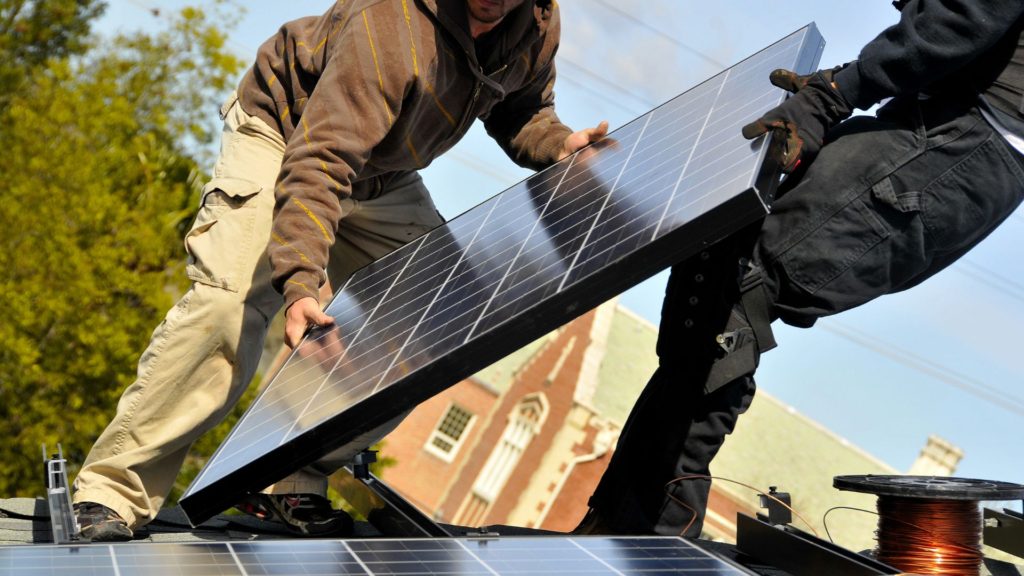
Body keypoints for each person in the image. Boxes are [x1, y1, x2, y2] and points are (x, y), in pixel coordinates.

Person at [72, 0, 607, 542]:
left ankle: (289, 475)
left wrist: (558, 144)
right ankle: (112, 491)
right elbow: (321, 159)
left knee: (449, 311)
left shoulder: (535, 24)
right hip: (289, 134)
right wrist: (302, 281)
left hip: (380, 173)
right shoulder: (391, 24)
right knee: (229, 306)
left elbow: (523, 110)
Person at [578, 0, 1024, 537]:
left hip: (966, 140)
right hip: (941, 120)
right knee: (720, 248)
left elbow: (965, 15)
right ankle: (618, 521)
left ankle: (652, 536)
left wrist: (842, 90)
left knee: (744, 290)